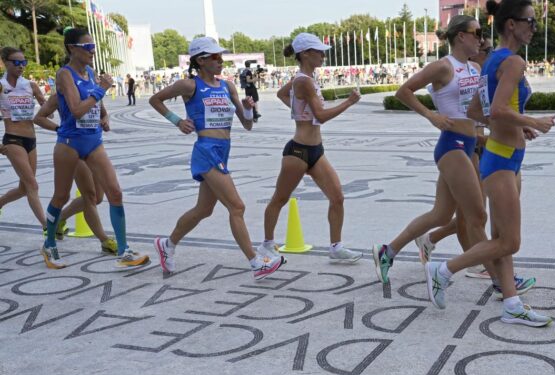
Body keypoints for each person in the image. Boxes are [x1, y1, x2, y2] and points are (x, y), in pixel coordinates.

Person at [423, 0, 555, 327]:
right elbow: (496, 111)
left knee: (501, 237)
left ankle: (511, 303)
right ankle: (443, 270)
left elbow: (475, 113)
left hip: (502, 153)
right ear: (511, 24)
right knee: (509, 241)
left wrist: (519, 126)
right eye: (529, 21)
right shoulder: (512, 62)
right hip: (501, 159)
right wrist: (532, 121)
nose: (533, 28)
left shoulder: (491, 60)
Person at [372, 16, 496, 287]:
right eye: (477, 32)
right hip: (452, 146)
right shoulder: (443, 66)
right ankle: (500, 281)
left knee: (444, 216)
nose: (481, 38)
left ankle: (388, 251)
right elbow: (403, 91)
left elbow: (476, 111)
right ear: (461, 36)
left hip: (472, 146)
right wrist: (432, 116)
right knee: (477, 216)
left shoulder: (475, 67)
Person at [149, 37, 284, 280]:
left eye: (220, 56)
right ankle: (256, 262)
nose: (221, 60)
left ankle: (167, 245)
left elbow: (247, 125)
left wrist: (249, 107)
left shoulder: (228, 86)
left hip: (223, 150)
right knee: (237, 206)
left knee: (203, 209)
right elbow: (155, 99)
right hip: (206, 150)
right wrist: (177, 121)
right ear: (200, 60)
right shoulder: (189, 86)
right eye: (215, 57)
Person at [42, 27, 149, 269]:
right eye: (88, 47)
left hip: (93, 140)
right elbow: (77, 108)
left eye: (93, 47)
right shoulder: (64, 75)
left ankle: (124, 250)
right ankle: (49, 244)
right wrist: (101, 89)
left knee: (115, 193)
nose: (93, 51)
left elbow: (95, 105)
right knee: (61, 196)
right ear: (72, 48)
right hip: (69, 143)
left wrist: (104, 116)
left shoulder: (90, 72)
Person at [259, 33, 362, 263]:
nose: (324, 56)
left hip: (316, 151)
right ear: (306, 54)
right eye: (319, 51)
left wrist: (298, 111)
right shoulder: (304, 80)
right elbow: (322, 116)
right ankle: (266, 244)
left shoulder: (305, 78)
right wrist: (349, 102)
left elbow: (282, 94)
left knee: (337, 197)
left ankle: (336, 247)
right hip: (298, 151)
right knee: (280, 198)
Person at [33, 92, 118, 254]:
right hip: (73, 148)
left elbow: (104, 113)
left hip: (94, 146)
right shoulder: (60, 95)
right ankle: (104, 240)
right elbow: (39, 117)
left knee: (98, 198)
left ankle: (60, 218)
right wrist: (59, 129)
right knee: (89, 196)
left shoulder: (94, 92)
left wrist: (105, 121)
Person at [0, 47, 47, 230]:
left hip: (31, 140)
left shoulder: (31, 85)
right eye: (17, 63)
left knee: (23, 188)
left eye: (24, 62)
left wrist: (49, 111)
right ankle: (47, 227)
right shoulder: (1, 85)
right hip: (13, 140)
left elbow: (46, 106)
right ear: (5, 62)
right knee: (32, 185)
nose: (21, 66)